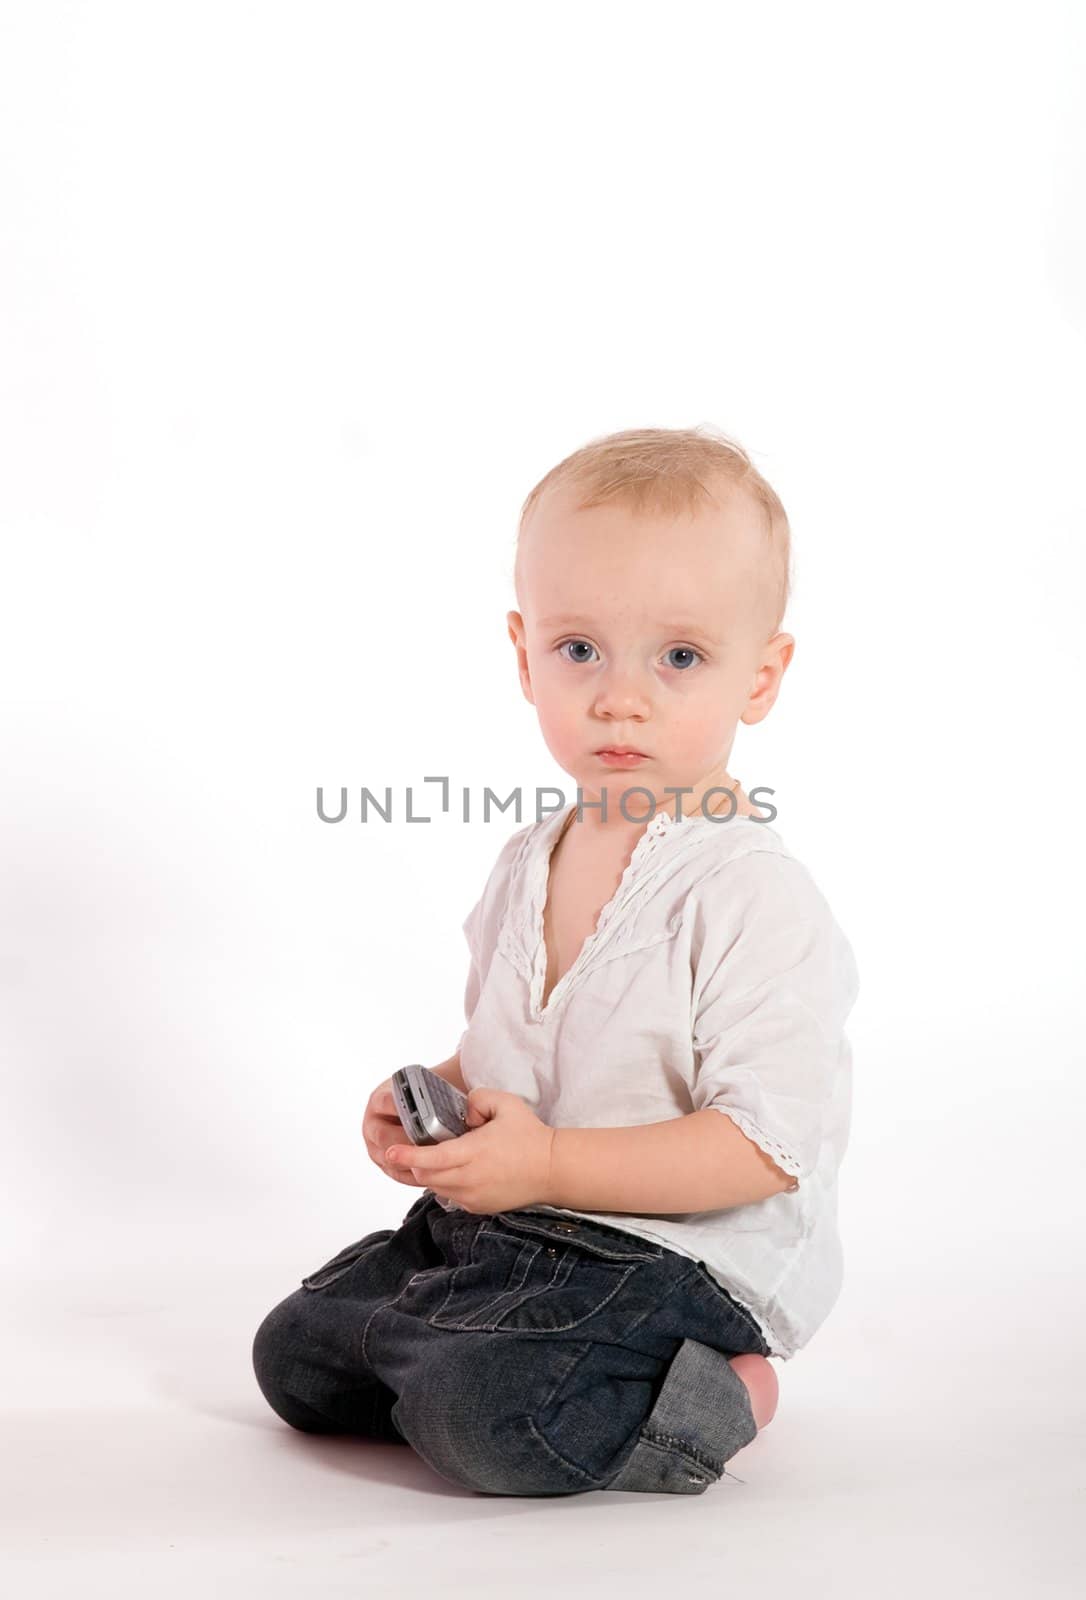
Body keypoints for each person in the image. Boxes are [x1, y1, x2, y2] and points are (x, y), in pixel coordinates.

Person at [252, 424, 860, 1497]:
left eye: (679, 657)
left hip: (670, 1258)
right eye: (580, 650)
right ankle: (456, 1345)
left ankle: (723, 1389)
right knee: (295, 1355)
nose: (619, 697)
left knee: (492, 1418)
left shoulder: (749, 892)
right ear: (523, 651)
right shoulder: (528, 859)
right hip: (518, 1227)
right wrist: (440, 1098)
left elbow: (764, 1147)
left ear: (762, 676)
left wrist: (549, 1169)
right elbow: (514, 1051)